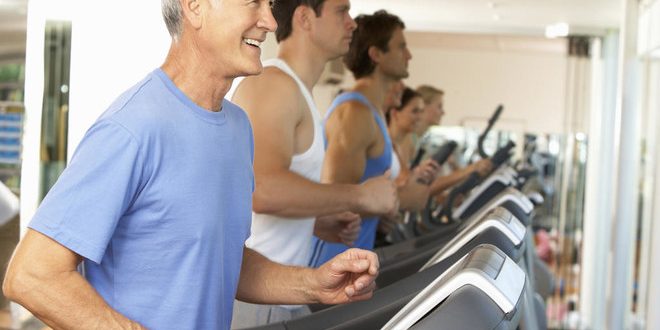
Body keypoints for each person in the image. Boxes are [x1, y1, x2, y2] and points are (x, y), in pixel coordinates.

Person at [2, 1, 380, 329]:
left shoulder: (237, 127)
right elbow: (32, 275)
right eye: (253, 3)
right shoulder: (132, 127)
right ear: (195, 6)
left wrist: (313, 284)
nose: (269, 21)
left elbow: (218, 259)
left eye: (268, 5)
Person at [229, 0, 397, 326]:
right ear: (305, 18)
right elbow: (261, 189)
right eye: (341, 11)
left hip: (283, 294)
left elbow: (259, 197)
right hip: (259, 298)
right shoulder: (274, 85)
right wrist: (360, 195)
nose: (352, 23)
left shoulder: (295, 89)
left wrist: (314, 220)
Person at [309, 10, 435, 267]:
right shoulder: (355, 113)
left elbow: (361, 196)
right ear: (376, 54)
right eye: (401, 47)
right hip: (329, 263)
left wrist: (383, 212)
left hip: (353, 258)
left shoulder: (372, 111)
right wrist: (399, 200)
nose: (409, 55)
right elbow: (332, 205)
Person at [415, 85, 492, 201]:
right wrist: (472, 169)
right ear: (423, 105)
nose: (443, 112)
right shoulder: (411, 140)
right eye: (439, 107)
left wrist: (445, 199)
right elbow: (422, 186)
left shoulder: (420, 140)